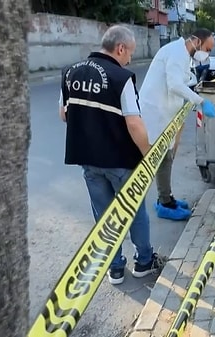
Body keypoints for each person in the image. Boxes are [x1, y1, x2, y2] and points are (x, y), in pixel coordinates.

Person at [59, 25, 162, 285]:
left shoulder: (70, 72)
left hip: (88, 161)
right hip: (121, 162)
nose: (129, 59)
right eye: (129, 54)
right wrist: (148, 154)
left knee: (103, 215)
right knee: (134, 211)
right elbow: (134, 123)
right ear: (120, 48)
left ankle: (114, 268)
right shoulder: (121, 77)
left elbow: (64, 114)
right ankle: (144, 261)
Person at [138, 28, 215, 221]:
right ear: (197, 42)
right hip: (156, 111)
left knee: (168, 155)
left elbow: (182, 82)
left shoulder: (183, 55)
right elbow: (174, 84)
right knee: (164, 157)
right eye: (207, 49)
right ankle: (165, 203)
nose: (207, 54)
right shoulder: (176, 53)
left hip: (166, 111)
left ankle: (167, 197)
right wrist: (200, 102)